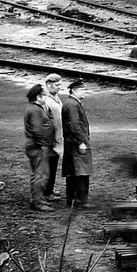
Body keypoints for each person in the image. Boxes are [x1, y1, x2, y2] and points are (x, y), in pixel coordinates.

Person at [61, 79, 92, 208]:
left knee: (73, 171)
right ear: (74, 90)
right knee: (81, 172)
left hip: (72, 142)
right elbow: (74, 126)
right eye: (82, 89)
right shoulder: (73, 105)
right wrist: (81, 142)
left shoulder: (71, 103)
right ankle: (80, 200)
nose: (85, 91)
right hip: (76, 143)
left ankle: (72, 199)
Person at [23, 84, 55, 212]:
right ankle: (38, 202)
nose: (46, 98)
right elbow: (37, 129)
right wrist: (44, 143)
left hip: (35, 145)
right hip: (38, 146)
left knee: (37, 173)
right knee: (41, 175)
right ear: (38, 97)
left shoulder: (34, 108)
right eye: (45, 96)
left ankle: (36, 198)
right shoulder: (35, 110)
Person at [40, 75, 64, 203]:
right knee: (48, 166)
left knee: (53, 165)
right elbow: (42, 121)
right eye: (57, 85)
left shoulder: (55, 96)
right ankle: (46, 192)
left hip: (57, 138)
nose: (60, 88)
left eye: (60, 85)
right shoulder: (45, 99)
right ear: (49, 84)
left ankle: (49, 189)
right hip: (49, 140)